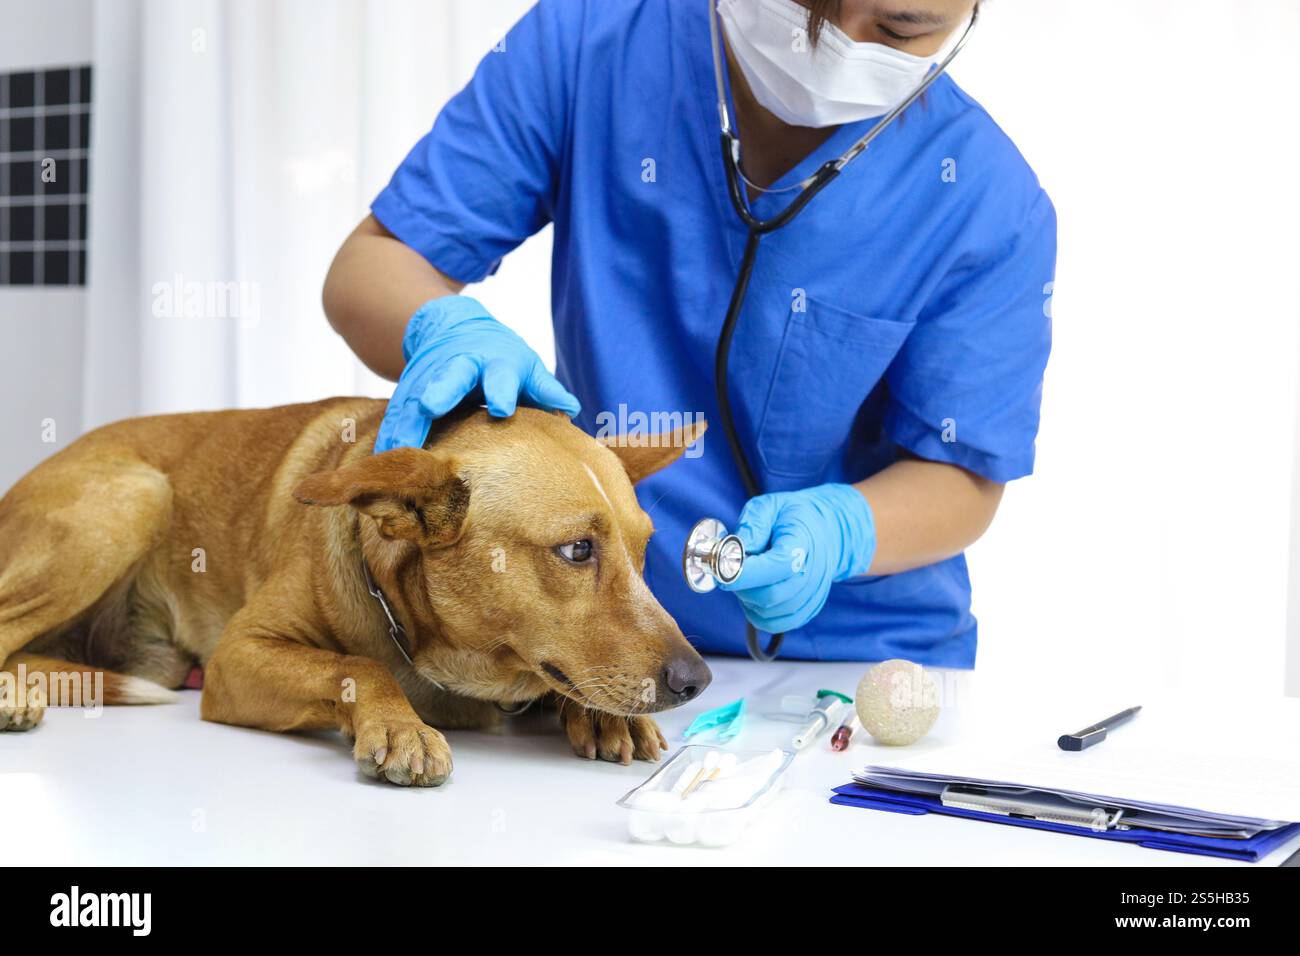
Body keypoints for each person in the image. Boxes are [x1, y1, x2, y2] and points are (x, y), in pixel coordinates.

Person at [322, 0, 1055, 666]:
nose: (833, 44)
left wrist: (842, 531)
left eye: (900, 28)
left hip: (863, 667)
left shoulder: (987, 198)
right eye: (803, 4)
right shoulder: (590, 43)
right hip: (593, 656)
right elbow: (372, 265)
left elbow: (962, 473)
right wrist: (442, 329)